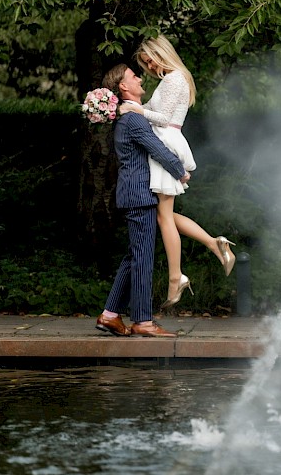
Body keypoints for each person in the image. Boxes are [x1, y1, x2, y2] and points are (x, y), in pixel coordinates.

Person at [118, 36, 235, 308]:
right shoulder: (170, 79)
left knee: (163, 217)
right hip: (164, 140)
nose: (149, 66)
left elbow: (163, 119)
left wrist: (135, 109)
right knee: (165, 214)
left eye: (150, 59)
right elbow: (151, 111)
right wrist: (131, 108)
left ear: (162, 52)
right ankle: (213, 244)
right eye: (145, 63)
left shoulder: (174, 79)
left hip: (167, 140)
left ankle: (176, 277)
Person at [95, 64, 191, 338]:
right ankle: (143, 322)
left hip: (135, 194)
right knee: (142, 259)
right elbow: (157, 148)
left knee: (134, 256)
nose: (139, 78)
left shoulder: (131, 116)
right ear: (124, 87)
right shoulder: (134, 120)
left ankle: (110, 315)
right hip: (139, 195)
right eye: (133, 76)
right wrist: (180, 171)